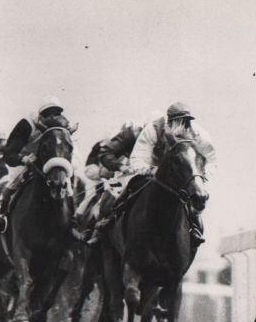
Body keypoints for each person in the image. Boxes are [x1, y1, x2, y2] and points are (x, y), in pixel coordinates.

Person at [88, 102, 216, 246]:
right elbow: (138, 157)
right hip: (152, 171)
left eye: (186, 120)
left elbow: (211, 157)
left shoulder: (198, 133)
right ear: (169, 120)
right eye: (178, 120)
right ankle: (110, 218)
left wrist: (202, 175)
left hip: (179, 174)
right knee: (131, 184)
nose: (183, 124)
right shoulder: (153, 129)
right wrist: (147, 169)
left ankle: (195, 230)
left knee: (197, 195)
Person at [0, 96, 83, 241]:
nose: (52, 116)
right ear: (40, 114)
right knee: (14, 182)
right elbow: (9, 153)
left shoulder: (64, 125)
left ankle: (72, 223)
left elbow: (69, 150)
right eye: (48, 113)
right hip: (25, 160)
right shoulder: (27, 124)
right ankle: (2, 217)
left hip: (50, 161)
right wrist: (23, 159)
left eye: (56, 112)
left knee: (66, 184)